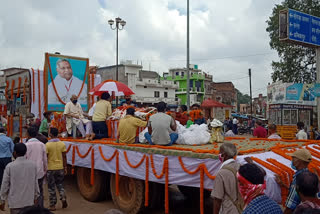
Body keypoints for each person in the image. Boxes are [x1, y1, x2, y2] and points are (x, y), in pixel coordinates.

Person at [0, 143, 39, 214]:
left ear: (14, 153)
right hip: (29, 202)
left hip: (15, 203)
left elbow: (5, 185)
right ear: (25, 152)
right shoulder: (33, 165)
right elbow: (35, 183)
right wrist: (36, 196)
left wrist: (2, 200)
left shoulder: (10, 166)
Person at [276, 149, 312, 214]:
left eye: (293, 158)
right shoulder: (309, 174)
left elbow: (290, 207)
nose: (292, 160)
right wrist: (283, 184)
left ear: (299, 161)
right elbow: (295, 192)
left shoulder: (299, 179)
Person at [212, 143, 241, 214]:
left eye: (220, 152)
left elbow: (217, 199)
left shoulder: (221, 173)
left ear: (224, 155)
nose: (219, 154)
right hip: (241, 208)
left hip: (228, 210)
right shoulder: (241, 167)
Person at [25, 127, 47, 208]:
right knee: (40, 191)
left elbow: (24, 158)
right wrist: (45, 170)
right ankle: (40, 208)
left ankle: (31, 208)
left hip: (28, 172)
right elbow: (45, 160)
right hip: (40, 171)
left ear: (28, 134)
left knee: (30, 191)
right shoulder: (42, 145)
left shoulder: (26, 145)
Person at [46, 128, 68, 211]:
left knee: (51, 187)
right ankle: (63, 197)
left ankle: (52, 205)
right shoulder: (62, 144)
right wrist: (65, 167)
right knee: (60, 184)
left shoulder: (47, 145)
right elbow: (64, 156)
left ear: (51, 134)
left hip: (50, 167)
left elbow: (46, 157)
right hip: (60, 167)